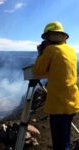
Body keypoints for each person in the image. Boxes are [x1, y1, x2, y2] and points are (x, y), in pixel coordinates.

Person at [33, 21, 79, 150]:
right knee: (65, 138)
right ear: (63, 36)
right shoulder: (71, 51)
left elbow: (38, 70)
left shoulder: (50, 50)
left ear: (49, 37)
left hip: (58, 104)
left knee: (60, 144)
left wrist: (40, 53)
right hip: (72, 101)